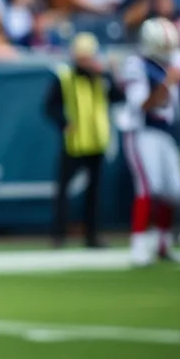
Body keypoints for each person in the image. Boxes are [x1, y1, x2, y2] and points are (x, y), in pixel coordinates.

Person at [45, 32, 123, 249]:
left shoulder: (101, 77)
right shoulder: (64, 77)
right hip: (74, 141)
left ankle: (92, 235)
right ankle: (58, 235)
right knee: (62, 189)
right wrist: (63, 123)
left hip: (96, 141)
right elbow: (50, 107)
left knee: (94, 193)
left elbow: (119, 98)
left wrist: (110, 75)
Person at [118, 17, 180, 266]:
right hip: (142, 130)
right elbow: (144, 105)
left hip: (166, 131)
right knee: (148, 187)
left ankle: (163, 244)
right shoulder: (137, 65)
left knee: (173, 190)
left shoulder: (174, 59)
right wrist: (168, 83)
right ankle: (137, 246)